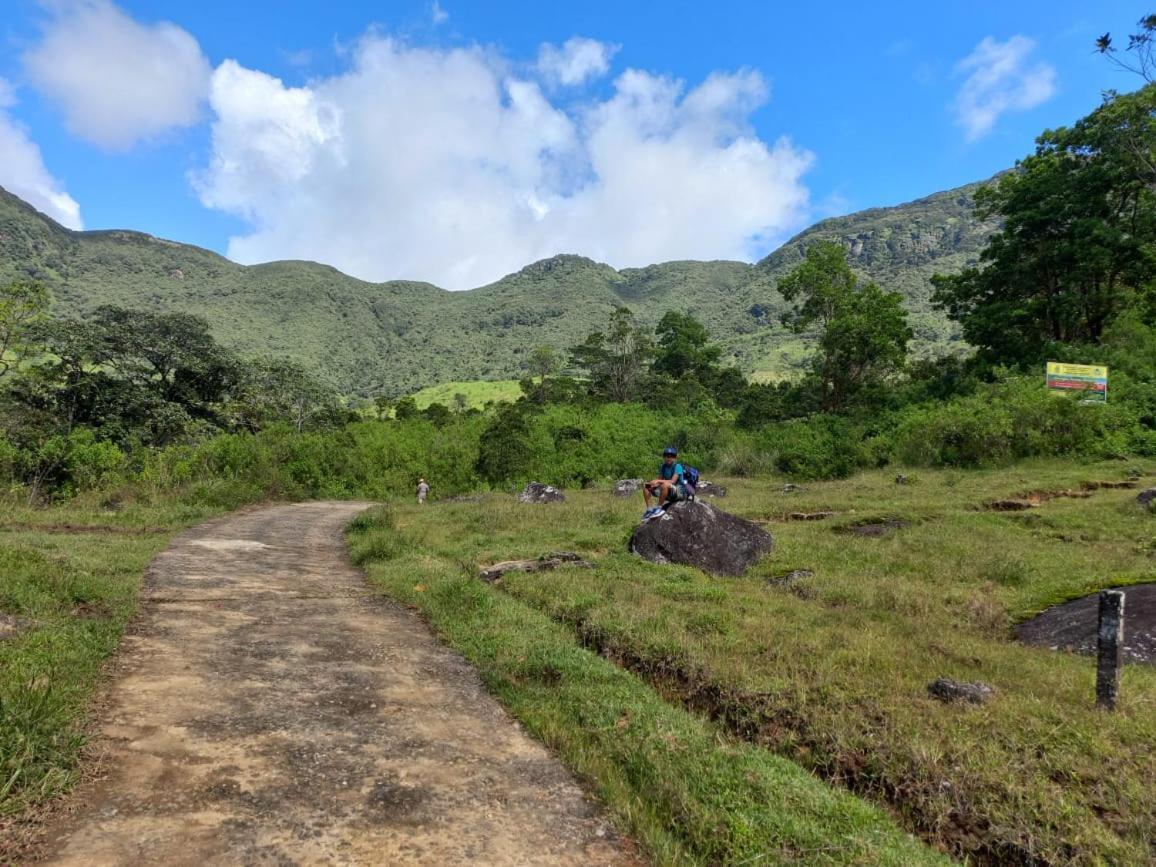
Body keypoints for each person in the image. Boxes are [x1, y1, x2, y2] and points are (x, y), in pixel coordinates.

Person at [642, 447, 686, 520]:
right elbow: (660, 480)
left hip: (679, 492)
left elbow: (673, 481)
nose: (668, 458)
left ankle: (659, 508)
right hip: (669, 490)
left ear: (675, 458)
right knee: (647, 487)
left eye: (671, 456)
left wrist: (658, 481)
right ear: (664, 457)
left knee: (664, 485)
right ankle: (649, 510)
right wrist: (652, 484)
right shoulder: (663, 466)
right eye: (666, 456)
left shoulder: (678, 466)